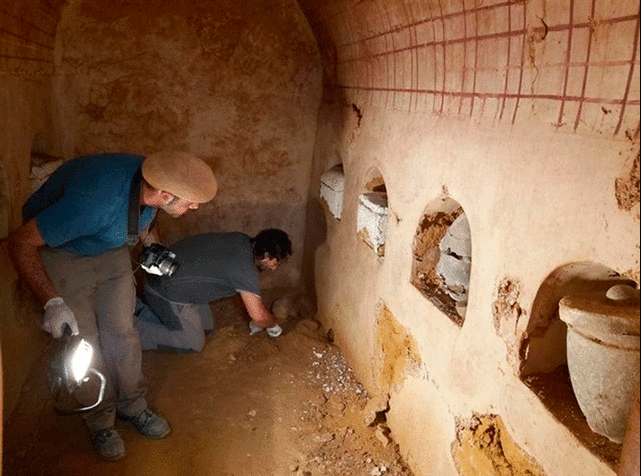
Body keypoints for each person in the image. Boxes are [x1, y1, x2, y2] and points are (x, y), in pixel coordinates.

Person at [4, 150, 217, 461]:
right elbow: (21, 241)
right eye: (190, 201)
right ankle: (99, 421)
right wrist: (51, 302)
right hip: (65, 251)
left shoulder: (154, 175)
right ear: (163, 193)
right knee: (84, 341)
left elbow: (142, 217)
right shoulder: (93, 203)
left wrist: (152, 245)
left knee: (123, 332)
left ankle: (133, 406)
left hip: (110, 248)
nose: (195, 207)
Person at [133, 229, 292, 352]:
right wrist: (272, 326)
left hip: (172, 281)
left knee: (206, 327)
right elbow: (259, 317)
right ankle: (132, 332)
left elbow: (240, 292)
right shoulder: (245, 269)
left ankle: (142, 311)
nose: (275, 267)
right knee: (193, 344)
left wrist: (252, 311)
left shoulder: (242, 240)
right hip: (164, 291)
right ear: (266, 256)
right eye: (277, 262)